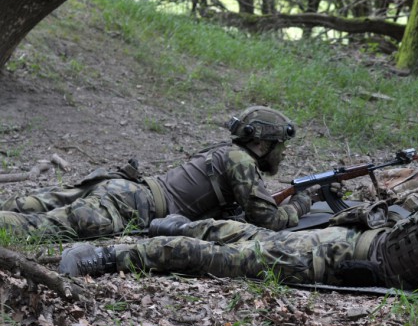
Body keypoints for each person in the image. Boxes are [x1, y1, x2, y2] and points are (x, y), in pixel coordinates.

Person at [59, 144, 418, 303]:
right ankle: (112, 256)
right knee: (225, 258)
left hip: (350, 240)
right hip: (337, 256)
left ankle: (177, 226)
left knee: (255, 236)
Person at [0, 106, 313, 238]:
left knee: (31, 203)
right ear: (263, 142)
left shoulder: (223, 151)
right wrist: (300, 204)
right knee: (37, 227)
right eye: (280, 146)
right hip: (132, 206)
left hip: (123, 188)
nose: (283, 153)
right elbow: (267, 220)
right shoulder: (242, 162)